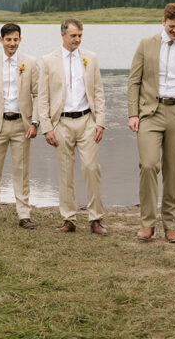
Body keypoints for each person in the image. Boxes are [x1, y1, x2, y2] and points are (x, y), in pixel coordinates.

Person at [127, 1, 175, 243]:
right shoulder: (146, 45)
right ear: (163, 22)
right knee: (149, 165)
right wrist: (133, 113)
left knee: (173, 171)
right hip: (151, 112)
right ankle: (147, 223)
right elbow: (134, 81)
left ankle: (171, 225)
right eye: (172, 26)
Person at [38, 18, 107, 235]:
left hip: (87, 120)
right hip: (62, 122)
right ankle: (69, 219)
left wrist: (100, 122)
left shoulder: (91, 58)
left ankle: (96, 218)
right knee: (65, 172)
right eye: (73, 36)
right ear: (63, 35)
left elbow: (98, 92)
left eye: (80, 36)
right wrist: (47, 127)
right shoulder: (48, 60)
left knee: (91, 168)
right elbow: (43, 97)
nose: (77, 39)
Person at [0, 22, 40, 229]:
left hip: (22, 124)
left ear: (20, 40)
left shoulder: (30, 63)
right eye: (8, 39)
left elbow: (38, 94)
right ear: (1, 40)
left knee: (21, 170)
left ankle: (23, 215)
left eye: (15, 39)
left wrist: (35, 122)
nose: (12, 43)